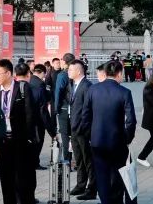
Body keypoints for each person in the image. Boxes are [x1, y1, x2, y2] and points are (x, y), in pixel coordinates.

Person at [87, 59, 136, 204]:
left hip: (97, 141)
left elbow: (85, 116)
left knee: (101, 176)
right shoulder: (124, 92)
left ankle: (105, 201)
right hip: (118, 142)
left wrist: (90, 136)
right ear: (119, 73)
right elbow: (131, 120)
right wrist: (127, 138)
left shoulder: (93, 90)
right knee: (118, 174)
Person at [0, 60, 38, 204]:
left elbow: (30, 114)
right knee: (5, 177)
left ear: (8, 73)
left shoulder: (23, 88)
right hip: (3, 141)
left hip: (20, 140)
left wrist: (29, 138)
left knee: (22, 178)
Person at [67, 59, 96, 200]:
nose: (68, 72)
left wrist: (84, 128)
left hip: (83, 130)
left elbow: (88, 110)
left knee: (88, 160)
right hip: (74, 129)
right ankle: (80, 185)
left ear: (79, 71)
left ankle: (92, 189)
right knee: (78, 159)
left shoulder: (87, 86)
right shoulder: (74, 84)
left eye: (71, 70)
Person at [53, 52, 76, 163]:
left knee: (65, 135)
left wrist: (56, 108)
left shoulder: (62, 75)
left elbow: (58, 93)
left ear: (65, 61)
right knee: (74, 134)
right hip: (76, 108)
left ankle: (67, 160)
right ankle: (77, 159)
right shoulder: (77, 72)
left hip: (64, 108)